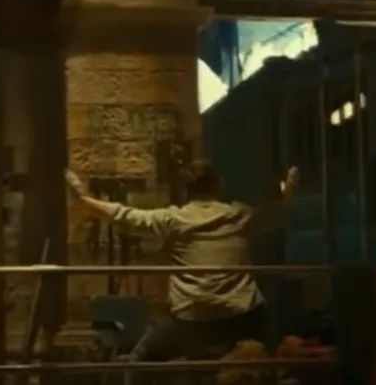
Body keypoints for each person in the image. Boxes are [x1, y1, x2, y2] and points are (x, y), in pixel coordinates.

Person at [64, 161, 300, 384]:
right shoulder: (239, 215)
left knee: (139, 362)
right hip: (241, 316)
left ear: (187, 190)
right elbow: (277, 212)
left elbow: (123, 215)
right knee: (273, 356)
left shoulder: (173, 219)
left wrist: (83, 198)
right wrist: (289, 187)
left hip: (192, 319)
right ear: (218, 185)